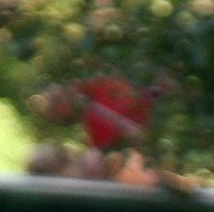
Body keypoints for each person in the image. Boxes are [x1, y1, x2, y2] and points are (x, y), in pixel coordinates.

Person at [25, 74, 170, 183]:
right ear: (63, 115)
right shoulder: (97, 134)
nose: (61, 92)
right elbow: (138, 138)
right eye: (57, 101)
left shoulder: (96, 77)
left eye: (56, 91)